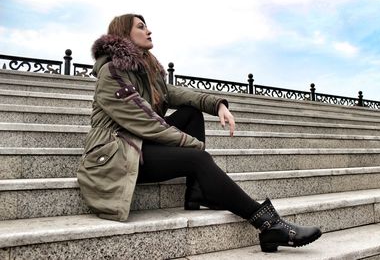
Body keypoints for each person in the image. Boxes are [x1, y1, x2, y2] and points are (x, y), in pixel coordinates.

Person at [77, 13, 322, 253]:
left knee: (191, 113)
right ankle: (268, 224)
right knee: (198, 159)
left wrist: (218, 104)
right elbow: (144, 120)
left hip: (138, 147)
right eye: (141, 27)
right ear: (123, 34)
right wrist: (192, 144)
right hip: (115, 155)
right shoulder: (111, 73)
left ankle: (197, 193)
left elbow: (182, 95)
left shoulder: (148, 74)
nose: (149, 31)